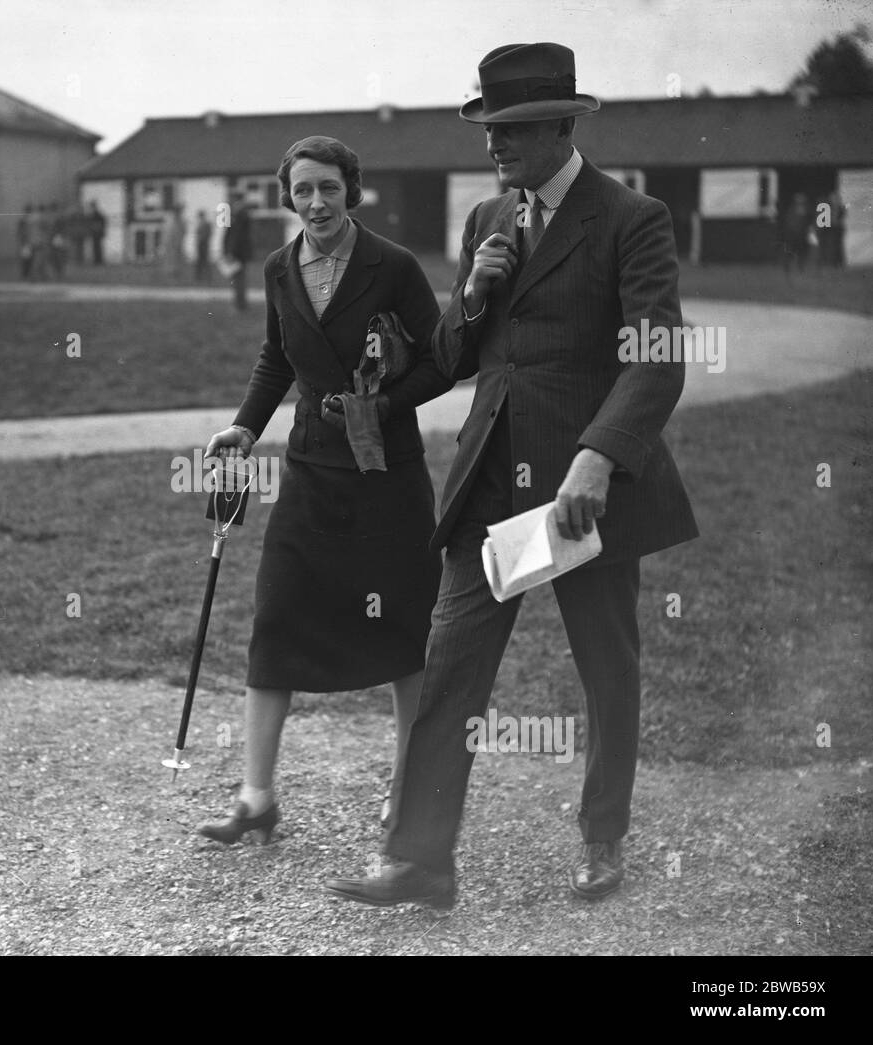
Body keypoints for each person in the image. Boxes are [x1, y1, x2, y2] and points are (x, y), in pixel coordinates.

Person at [326, 42, 698, 910]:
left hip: (582, 491)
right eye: (489, 127)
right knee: (449, 660)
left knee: (605, 668)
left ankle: (603, 837)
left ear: (563, 125)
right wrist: (472, 295)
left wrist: (598, 459)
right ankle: (420, 857)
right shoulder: (489, 217)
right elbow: (456, 359)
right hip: (491, 479)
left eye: (514, 130)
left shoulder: (632, 217)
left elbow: (658, 358)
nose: (495, 145)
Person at [196, 135, 452, 846]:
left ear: (352, 192)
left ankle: (409, 792)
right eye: (302, 189)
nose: (315, 202)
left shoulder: (393, 265)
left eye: (329, 189)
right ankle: (255, 797)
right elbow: (277, 356)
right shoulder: (281, 267)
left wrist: (385, 406)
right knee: (275, 620)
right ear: (288, 197)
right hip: (310, 471)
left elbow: (442, 361)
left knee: (402, 632)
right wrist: (246, 429)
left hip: (386, 477)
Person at [222, 192, 253, 310]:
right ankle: (240, 304)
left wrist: (231, 251)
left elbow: (236, 235)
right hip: (240, 252)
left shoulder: (239, 214)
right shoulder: (241, 213)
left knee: (238, 279)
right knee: (239, 279)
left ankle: (239, 305)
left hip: (237, 253)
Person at [162, 204, 185, 283]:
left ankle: (176, 275)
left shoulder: (180, 221)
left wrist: (179, 240)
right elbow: (168, 232)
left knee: (176, 260)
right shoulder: (171, 221)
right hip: (171, 243)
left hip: (177, 243)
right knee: (170, 259)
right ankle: (170, 275)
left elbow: (182, 232)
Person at [194, 209, 213, 282]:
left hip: (204, 244)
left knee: (204, 261)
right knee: (200, 261)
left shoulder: (206, 224)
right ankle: (200, 277)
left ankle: (207, 277)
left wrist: (203, 240)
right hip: (201, 244)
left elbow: (207, 234)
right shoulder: (201, 224)